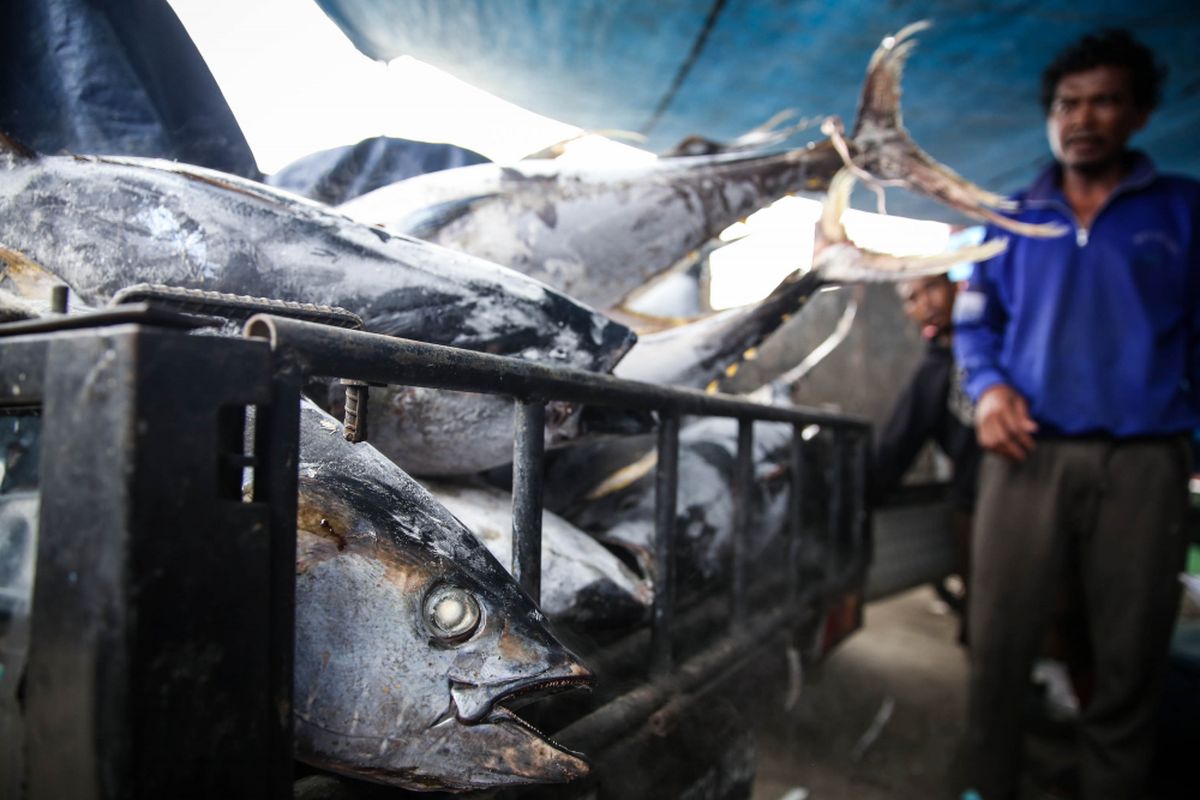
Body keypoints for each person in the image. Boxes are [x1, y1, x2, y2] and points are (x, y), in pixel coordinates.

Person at [953, 29, 1200, 800]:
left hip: (1146, 461)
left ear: (1138, 114)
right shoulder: (1012, 213)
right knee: (996, 646)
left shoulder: (1183, 209)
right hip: (1028, 456)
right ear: (1050, 114)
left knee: (1128, 655)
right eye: (1068, 103)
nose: (1083, 118)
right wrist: (989, 387)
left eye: (1104, 102)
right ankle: (985, 787)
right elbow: (973, 318)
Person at [874, 274, 980, 639]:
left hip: (1029, 492)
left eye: (932, 287)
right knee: (986, 619)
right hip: (976, 505)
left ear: (956, 286)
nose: (926, 304)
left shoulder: (997, 349)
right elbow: (895, 448)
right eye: (912, 298)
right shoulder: (933, 372)